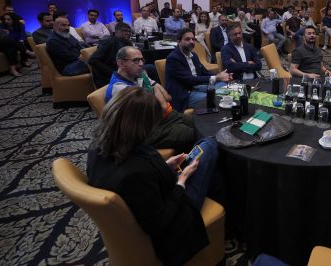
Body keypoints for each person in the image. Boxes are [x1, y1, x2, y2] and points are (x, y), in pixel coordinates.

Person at [87, 87, 217, 265]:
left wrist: (166, 165)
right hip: (175, 220)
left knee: (203, 150)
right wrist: (181, 182)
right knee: (210, 143)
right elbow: (160, 221)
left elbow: (143, 184)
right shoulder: (134, 173)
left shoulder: (97, 146)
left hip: (156, 194)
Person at [104, 45, 197, 152]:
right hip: (147, 130)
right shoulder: (120, 88)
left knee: (202, 123)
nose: (141, 64)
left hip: (166, 117)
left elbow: (167, 97)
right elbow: (161, 107)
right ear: (121, 63)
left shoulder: (137, 75)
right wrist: (153, 88)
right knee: (197, 133)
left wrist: (153, 91)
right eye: (136, 61)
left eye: (142, 60)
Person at [165, 28, 232, 112]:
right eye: (187, 39)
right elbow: (190, 80)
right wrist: (216, 77)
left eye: (193, 39)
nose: (191, 42)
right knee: (212, 98)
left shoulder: (194, 55)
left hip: (196, 86)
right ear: (179, 41)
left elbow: (204, 72)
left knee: (224, 86)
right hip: (184, 93)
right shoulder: (173, 58)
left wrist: (221, 76)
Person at [0, 11, 33, 76]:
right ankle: (27, 51)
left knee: (10, 45)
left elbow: (4, 34)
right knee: (9, 41)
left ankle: (12, 69)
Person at [89, 23, 133, 88]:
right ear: (116, 32)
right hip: (107, 77)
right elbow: (93, 60)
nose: (128, 33)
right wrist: (113, 73)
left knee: (147, 69)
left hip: (125, 72)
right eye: (124, 31)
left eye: (129, 31)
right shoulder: (108, 42)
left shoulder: (128, 43)